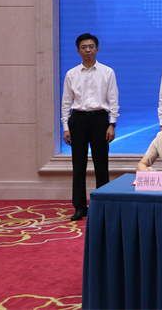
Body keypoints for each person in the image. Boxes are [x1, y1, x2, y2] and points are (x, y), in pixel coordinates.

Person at [61, 33, 119, 221]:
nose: (88, 50)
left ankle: (102, 205)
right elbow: (66, 102)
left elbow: (113, 100)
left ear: (97, 49)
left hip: (100, 119)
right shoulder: (71, 74)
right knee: (78, 165)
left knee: (101, 164)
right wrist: (66, 127)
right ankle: (80, 207)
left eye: (91, 46)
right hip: (77, 120)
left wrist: (112, 124)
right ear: (78, 50)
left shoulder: (107, 72)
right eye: (84, 47)